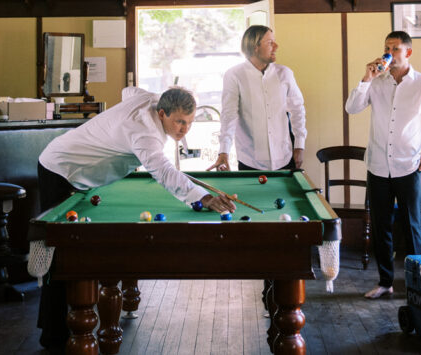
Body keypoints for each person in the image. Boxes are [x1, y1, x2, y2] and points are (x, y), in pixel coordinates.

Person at [36, 86, 235, 351]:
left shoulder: (150, 100)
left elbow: (128, 90)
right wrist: (204, 198)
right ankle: (52, 336)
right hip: (60, 169)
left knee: (75, 251)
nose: (184, 128)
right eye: (179, 121)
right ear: (162, 113)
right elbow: (164, 172)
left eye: (189, 122)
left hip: (78, 172)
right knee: (60, 253)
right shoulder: (144, 133)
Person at [344, 30, 421, 299]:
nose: (389, 53)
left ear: (408, 52)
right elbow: (351, 108)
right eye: (386, 47)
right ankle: (385, 282)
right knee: (381, 227)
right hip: (377, 165)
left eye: (396, 48)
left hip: (409, 166)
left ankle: (419, 285)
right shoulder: (376, 83)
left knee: (412, 228)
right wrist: (366, 78)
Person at [210, 25, 306, 172]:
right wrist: (224, 151)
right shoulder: (234, 75)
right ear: (255, 47)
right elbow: (229, 116)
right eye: (270, 43)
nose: (276, 46)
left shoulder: (285, 74)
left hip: (285, 158)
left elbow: (297, 110)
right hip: (250, 161)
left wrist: (299, 145)